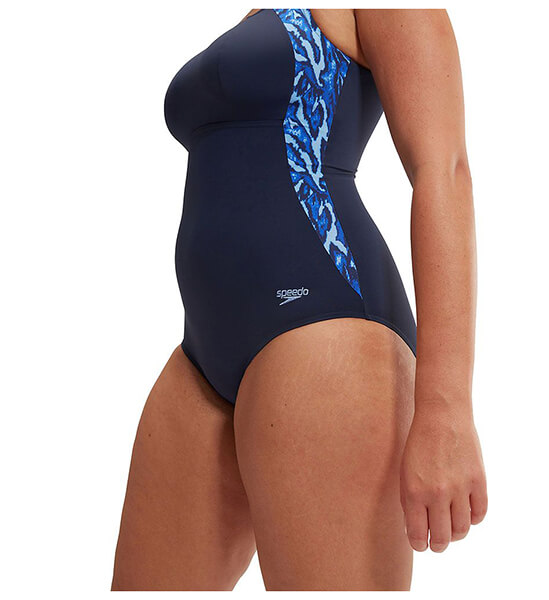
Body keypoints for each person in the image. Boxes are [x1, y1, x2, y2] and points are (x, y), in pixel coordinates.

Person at [111, 8, 487, 591]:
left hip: (324, 324)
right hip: (203, 355)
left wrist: (445, 407)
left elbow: (445, 171)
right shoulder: (258, 15)